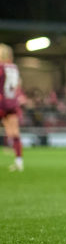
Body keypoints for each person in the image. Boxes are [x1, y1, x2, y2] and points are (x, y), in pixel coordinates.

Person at [0, 44, 24, 172]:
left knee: (11, 133)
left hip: (1, 102)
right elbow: (17, 85)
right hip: (12, 103)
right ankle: (19, 161)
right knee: (14, 134)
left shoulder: (1, 67)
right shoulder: (14, 67)